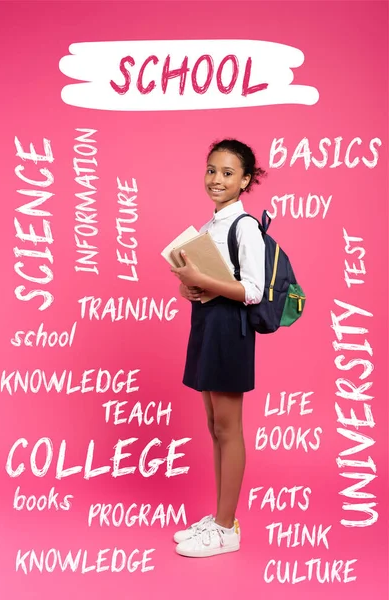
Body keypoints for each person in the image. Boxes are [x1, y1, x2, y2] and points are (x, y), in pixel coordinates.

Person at [170, 139, 266, 558]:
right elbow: (202, 284)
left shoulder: (244, 227)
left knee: (228, 428)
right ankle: (220, 517)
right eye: (211, 170)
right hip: (208, 324)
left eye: (228, 173)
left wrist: (205, 283)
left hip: (231, 330)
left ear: (245, 180)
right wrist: (186, 286)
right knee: (214, 426)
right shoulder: (210, 227)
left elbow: (255, 291)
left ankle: (227, 528)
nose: (216, 179)